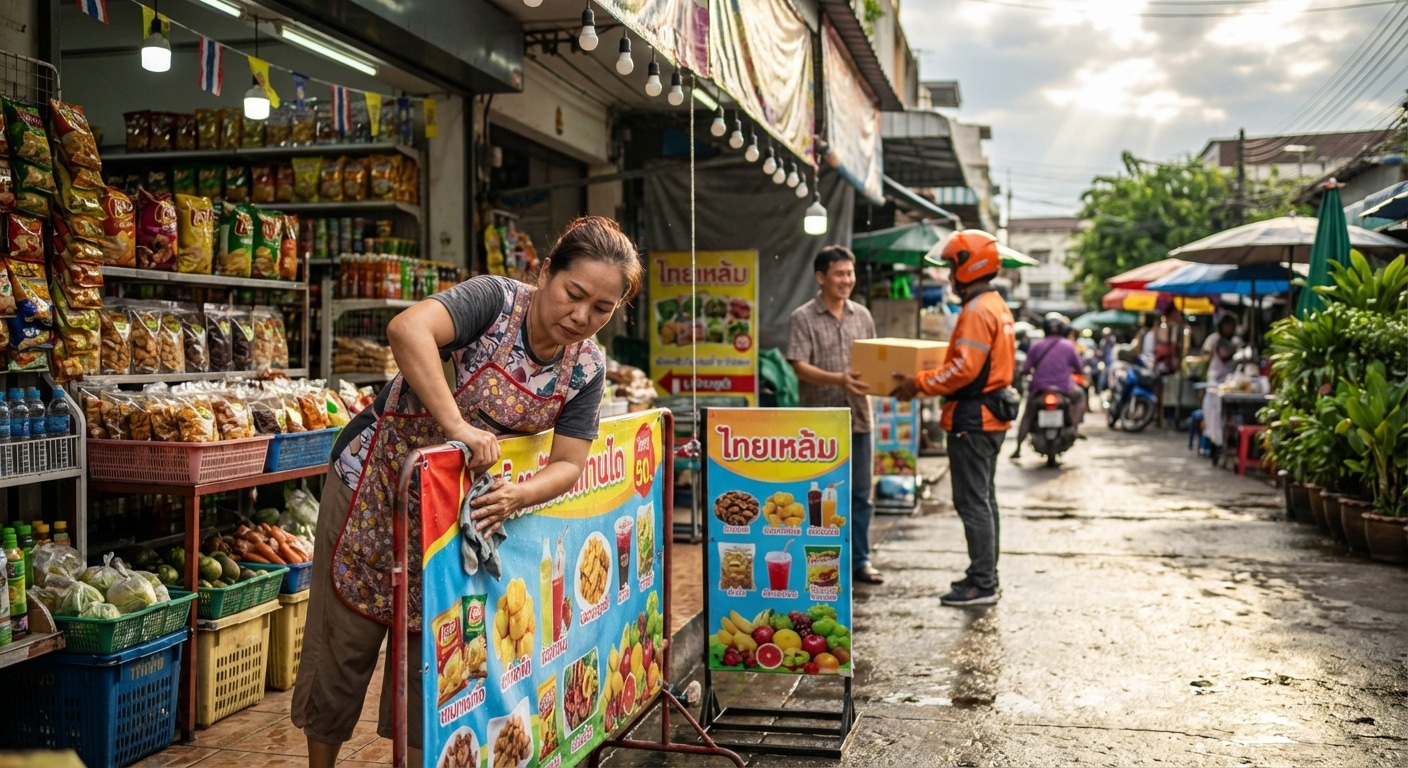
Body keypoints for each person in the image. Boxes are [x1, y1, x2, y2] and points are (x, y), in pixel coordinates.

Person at [293, 216, 642, 768]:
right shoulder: (493, 302)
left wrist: (519, 496)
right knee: (346, 637)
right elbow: (408, 329)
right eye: (573, 294)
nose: (581, 317)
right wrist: (456, 426)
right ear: (545, 273)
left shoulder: (587, 367)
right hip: (375, 485)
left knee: (436, 654)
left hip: (454, 515)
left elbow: (569, 463)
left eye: (601, 308)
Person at [891, 230, 1015, 606]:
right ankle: (985, 575)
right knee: (984, 500)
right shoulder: (996, 304)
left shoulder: (977, 310)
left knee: (973, 502)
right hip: (989, 416)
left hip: (973, 419)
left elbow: (963, 369)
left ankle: (982, 583)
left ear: (968, 265)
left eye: (950, 266)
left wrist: (917, 383)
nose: (948, 275)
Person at [787, 245, 883, 585]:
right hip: (819, 424)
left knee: (860, 494)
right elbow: (799, 366)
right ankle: (819, 562)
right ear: (820, 277)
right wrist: (839, 379)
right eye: (839, 273)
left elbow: (874, 361)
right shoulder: (803, 317)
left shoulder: (863, 316)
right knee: (817, 497)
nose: (847, 280)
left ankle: (860, 561)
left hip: (859, 418)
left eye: (850, 273)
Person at [1010, 313, 1086, 459]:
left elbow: (1026, 368)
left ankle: (1018, 447)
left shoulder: (1036, 346)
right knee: (1080, 396)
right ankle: (1074, 427)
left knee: (1028, 415)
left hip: (1039, 389)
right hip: (1064, 389)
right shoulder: (1068, 346)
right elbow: (1079, 368)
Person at [1202, 314, 1242, 385]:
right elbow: (1206, 353)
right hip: (1215, 376)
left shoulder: (1236, 342)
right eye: (1226, 325)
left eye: (1230, 326)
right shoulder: (1213, 338)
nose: (1228, 328)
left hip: (1231, 376)